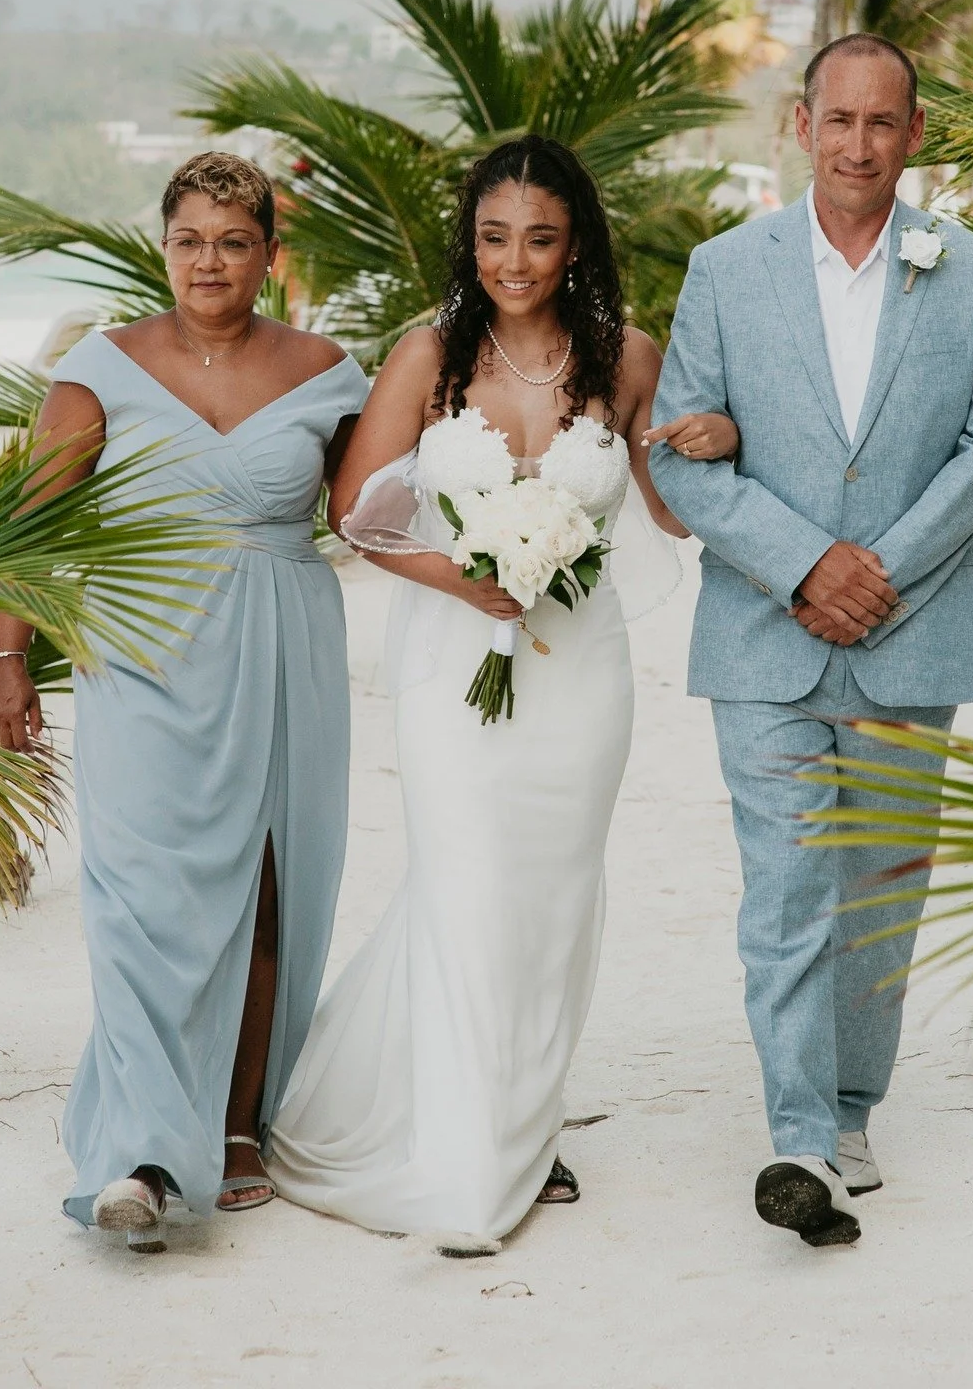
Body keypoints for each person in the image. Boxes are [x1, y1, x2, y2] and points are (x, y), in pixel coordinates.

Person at [266, 135, 735, 1250]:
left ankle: (528, 1121)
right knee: (468, 886)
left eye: (539, 238)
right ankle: (469, 1148)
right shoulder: (427, 354)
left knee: (555, 903)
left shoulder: (628, 357)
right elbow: (355, 514)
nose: (513, 261)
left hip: (582, 674)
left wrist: (712, 439)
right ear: (468, 241)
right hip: (452, 668)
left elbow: (671, 515)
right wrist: (459, 576)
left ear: (576, 246)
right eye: (493, 236)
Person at [650, 34, 973, 1250]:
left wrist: (878, 574)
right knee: (787, 883)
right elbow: (680, 451)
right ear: (800, 123)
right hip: (765, 632)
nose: (858, 144)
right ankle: (801, 1133)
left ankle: (854, 1104)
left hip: (912, 633)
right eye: (838, 119)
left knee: (881, 889)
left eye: (882, 122)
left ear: (914, 133)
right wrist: (807, 563)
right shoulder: (724, 268)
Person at [0, 151, 369, 1252]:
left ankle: (238, 1124)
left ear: (270, 255)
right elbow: (28, 530)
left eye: (234, 241)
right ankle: (144, 1151)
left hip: (284, 648)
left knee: (268, 884)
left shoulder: (328, 372)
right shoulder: (98, 371)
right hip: (141, 654)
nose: (210, 261)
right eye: (190, 239)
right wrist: (7, 658)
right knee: (141, 896)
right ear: (164, 248)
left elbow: (373, 514)